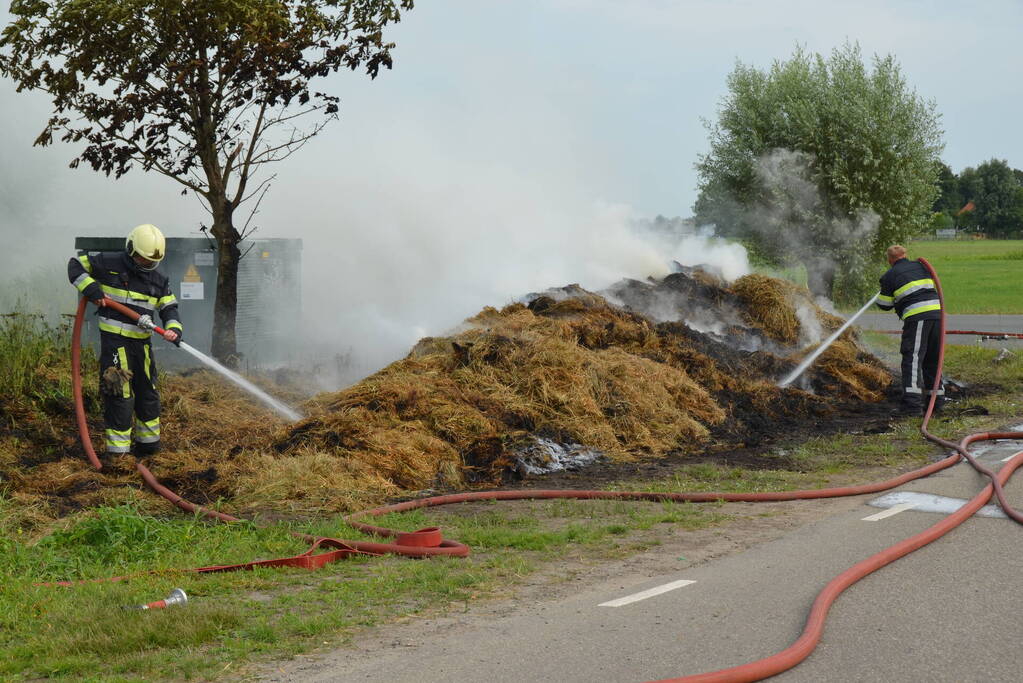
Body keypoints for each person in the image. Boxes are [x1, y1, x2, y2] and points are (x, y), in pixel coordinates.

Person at [68, 224, 183, 457]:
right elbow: (75, 265)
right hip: (115, 344)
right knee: (120, 394)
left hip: (142, 345)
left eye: (151, 261)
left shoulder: (159, 280)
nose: (146, 264)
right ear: (131, 250)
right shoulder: (107, 262)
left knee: (148, 392)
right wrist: (92, 289)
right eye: (142, 258)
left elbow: (169, 307)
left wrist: (173, 329)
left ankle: (148, 447)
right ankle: (118, 454)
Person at [876, 244, 943, 415]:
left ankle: (912, 406)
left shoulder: (890, 275)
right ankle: (936, 402)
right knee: (932, 359)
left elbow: (884, 305)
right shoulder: (921, 266)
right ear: (905, 254)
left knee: (912, 359)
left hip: (918, 316)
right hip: (937, 315)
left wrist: (884, 289)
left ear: (889, 259)